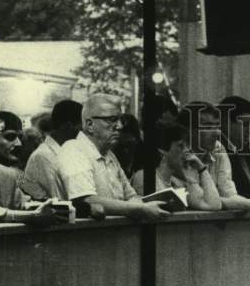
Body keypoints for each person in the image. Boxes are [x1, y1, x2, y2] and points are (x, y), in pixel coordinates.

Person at [56, 93, 168, 222]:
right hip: (85, 238)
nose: (119, 126)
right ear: (90, 124)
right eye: (111, 120)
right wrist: (140, 209)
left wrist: (138, 205)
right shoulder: (73, 150)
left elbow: (131, 196)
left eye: (120, 120)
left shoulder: (110, 155)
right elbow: (88, 200)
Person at [180, 101, 250, 218]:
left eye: (216, 126)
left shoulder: (218, 148)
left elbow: (229, 194)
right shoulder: (178, 155)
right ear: (187, 131)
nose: (216, 132)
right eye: (208, 127)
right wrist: (248, 204)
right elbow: (203, 202)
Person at [131, 123, 223, 210]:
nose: (186, 151)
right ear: (163, 152)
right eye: (180, 146)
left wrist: (201, 168)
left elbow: (214, 205)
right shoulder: (144, 176)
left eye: (187, 146)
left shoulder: (178, 182)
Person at [21, 99, 83, 201]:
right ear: (69, 126)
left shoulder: (65, 152)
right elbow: (61, 199)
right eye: (81, 128)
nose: (83, 133)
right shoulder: (44, 156)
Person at [218, 95, 250, 197]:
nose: (249, 131)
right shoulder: (216, 150)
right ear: (225, 122)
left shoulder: (247, 150)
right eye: (245, 124)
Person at [113, 113, 143, 178]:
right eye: (122, 146)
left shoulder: (144, 154)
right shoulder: (113, 153)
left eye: (129, 144)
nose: (126, 150)